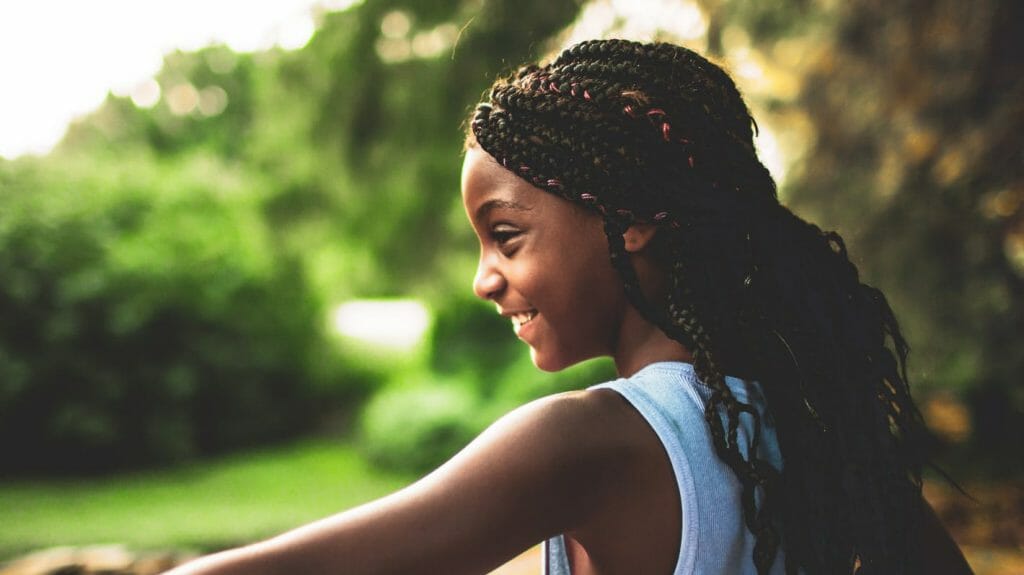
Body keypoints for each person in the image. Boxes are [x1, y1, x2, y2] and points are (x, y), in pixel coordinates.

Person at [163, 39, 972, 575]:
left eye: (506, 235)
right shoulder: (811, 423)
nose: (485, 278)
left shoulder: (585, 440)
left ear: (630, 216)